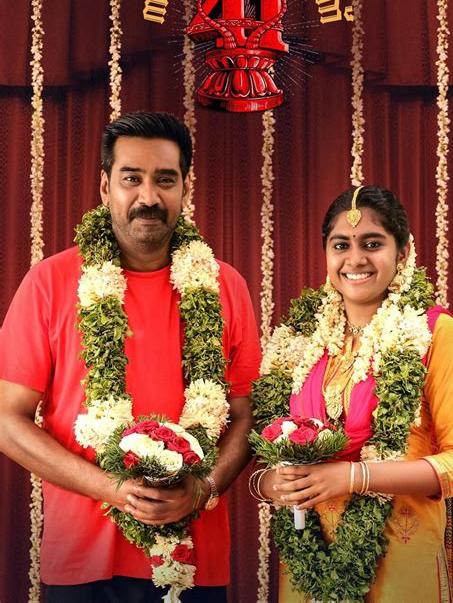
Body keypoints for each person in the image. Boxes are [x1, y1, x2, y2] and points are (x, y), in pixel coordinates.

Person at [0, 111, 261, 603]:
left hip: (194, 560)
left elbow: (246, 415)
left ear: (185, 188)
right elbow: (6, 420)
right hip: (83, 561)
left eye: (165, 180)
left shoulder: (226, 286)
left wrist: (202, 488)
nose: (148, 197)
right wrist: (111, 488)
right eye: (131, 179)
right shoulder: (50, 282)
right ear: (105, 188)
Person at [252, 185, 453, 602]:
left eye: (372, 244)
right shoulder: (299, 342)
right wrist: (271, 483)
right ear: (326, 254)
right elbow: (267, 459)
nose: (355, 259)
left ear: (403, 252)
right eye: (341, 245)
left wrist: (355, 477)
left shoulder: (434, 333)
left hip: (401, 563)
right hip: (308, 564)